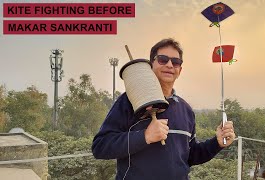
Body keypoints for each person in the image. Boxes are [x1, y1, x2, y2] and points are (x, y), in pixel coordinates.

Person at [92, 38, 236, 180]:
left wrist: (216, 143)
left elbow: (190, 156)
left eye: (176, 62)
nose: (169, 65)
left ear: (180, 69)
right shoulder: (130, 101)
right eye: (162, 59)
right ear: (151, 65)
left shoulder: (185, 110)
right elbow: (100, 146)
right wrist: (145, 136)